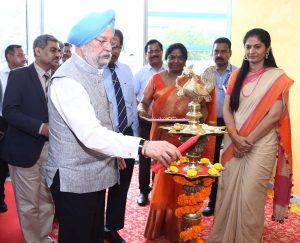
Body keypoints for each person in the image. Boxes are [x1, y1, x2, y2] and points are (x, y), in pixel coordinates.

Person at [44, 10, 181, 243]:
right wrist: (144, 145)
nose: (109, 48)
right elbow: (91, 135)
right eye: (102, 42)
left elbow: (103, 120)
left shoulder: (92, 71)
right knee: (78, 237)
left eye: (112, 42)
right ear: (82, 43)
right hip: (73, 179)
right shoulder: (67, 80)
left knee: (94, 235)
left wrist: (116, 150)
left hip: (94, 175)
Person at [207, 28, 293, 243]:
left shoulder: (277, 78)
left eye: (258, 46)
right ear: (243, 49)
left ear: (267, 49)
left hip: (261, 144)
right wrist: (235, 136)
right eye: (248, 46)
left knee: (250, 197)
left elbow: (274, 115)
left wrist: (248, 141)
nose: (252, 51)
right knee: (227, 193)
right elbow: (227, 109)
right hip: (234, 142)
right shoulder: (237, 74)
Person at [139, 43, 216, 242]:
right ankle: (159, 226)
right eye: (172, 57)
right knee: (161, 183)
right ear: (166, 58)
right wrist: (141, 110)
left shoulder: (193, 82)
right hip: (161, 139)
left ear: (185, 60)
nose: (175, 61)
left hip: (185, 141)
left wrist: (197, 115)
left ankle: (179, 226)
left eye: (179, 57)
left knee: (182, 182)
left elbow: (205, 110)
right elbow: (144, 102)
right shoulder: (155, 79)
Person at [2, 35, 60, 243]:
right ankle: (32, 240)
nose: (58, 53)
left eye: (58, 50)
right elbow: (9, 111)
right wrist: (40, 127)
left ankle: (43, 236)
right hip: (24, 149)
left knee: (47, 199)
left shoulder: (59, 78)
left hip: (52, 150)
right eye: (53, 50)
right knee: (28, 203)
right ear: (38, 51)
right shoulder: (19, 76)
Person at [103, 29, 138, 243]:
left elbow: (130, 103)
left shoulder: (126, 70)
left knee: (121, 186)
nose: (112, 50)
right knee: (99, 186)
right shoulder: (94, 72)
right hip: (103, 136)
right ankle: (95, 227)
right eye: (108, 44)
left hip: (126, 135)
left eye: (116, 45)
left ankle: (112, 229)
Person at [202, 37, 236, 216]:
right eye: (216, 51)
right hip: (211, 123)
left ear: (230, 53)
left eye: (223, 51)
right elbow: (199, 99)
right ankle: (212, 202)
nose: (220, 55)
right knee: (212, 162)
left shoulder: (238, 73)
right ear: (212, 53)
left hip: (233, 123)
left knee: (231, 163)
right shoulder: (206, 73)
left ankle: (230, 203)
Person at [134, 39, 167, 206]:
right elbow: (133, 96)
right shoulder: (140, 74)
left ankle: (157, 188)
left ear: (162, 52)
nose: (153, 53)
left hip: (165, 124)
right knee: (145, 156)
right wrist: (141, 110)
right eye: (150, 51)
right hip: (146, 122)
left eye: (156, 50)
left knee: (161, 155)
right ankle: (143, 191)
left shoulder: (170, 72)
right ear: (146, 54)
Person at [0, 44, 27, 213]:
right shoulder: (1, 75)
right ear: (10, 57)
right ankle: (0, 198)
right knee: (1, 165)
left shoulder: (26, 74)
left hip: (22, 123)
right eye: (19, 55)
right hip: (2, 123)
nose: (23, 58)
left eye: (23, 54)